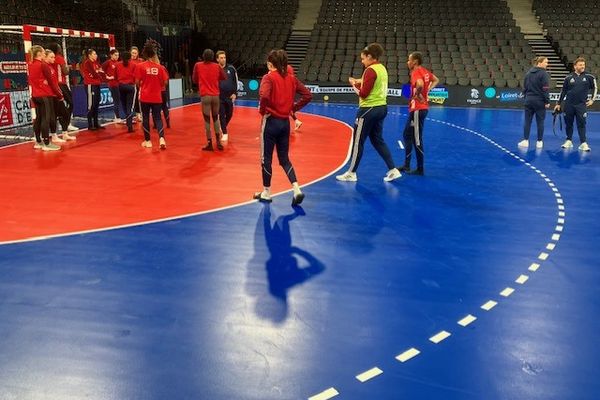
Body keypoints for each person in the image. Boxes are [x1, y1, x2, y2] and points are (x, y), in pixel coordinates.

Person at [336, 43, 402, 182]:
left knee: (357, 142)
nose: (362, 61)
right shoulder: (382, 68)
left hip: (368, 110)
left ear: (370, 56)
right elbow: (370, 83)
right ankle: (393, 170)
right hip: (381, 108)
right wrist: (358, 81)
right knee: (377, 140)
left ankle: (351, 173)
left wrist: (353, 85)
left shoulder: (370, 70)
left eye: (363, 58)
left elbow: (364, 93)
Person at [254, 49, 312, 206]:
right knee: (284, 159)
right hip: (285, 124)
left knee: (266, 158)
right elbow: (308, 95)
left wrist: (262, 111)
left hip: (271, 122)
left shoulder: (268, 77)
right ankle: (296, 189)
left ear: (270, 64)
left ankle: (266, 192)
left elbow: (264, 96)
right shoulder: (291, 79)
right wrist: (293, 109)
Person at [398, 51, 439, 176]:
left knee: (417, 139)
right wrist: (427, 91)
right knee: (406, 134)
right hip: (419, 109)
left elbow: (420, 84)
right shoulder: (425, 71)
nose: (407, 62)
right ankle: (406, 165)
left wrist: (417, 95)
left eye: (409, 60)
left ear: (415, 61)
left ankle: (420, 169)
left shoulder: (416, 72)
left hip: (418, 109)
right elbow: (436, 80)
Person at [555, 57, 597, 152]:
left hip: (581, 105)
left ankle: (583, 143)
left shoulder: (589, 77)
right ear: (575, 66)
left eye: (583, 65)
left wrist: (592, 100)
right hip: (569, 105)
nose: (583, 66)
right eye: (580, 65)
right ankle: (568, 141)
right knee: (568, 124)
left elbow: (595, 87)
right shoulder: (568, 77)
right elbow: (563, 91)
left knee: (581, 124)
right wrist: (558, 103)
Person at [28, 45, 63, 151]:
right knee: (45, 119)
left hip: (35, 95)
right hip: (44, 95)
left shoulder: (30, 64)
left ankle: (38, 142)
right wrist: (59, 95)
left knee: (38, 119)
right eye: (43, 53)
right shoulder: (43, 65)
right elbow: (51, 82)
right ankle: (47, 143)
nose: (44, 54)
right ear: (39, 54)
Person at [135, 45, 169, 149]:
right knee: (158, 118)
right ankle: (161, 138)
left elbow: (137, 81)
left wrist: (142, 85)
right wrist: (158, 86)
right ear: (154, 55)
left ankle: (148, 141)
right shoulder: (160, 67)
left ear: (144, 54)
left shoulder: (140, 66)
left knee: (145, 117)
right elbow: (165, 82)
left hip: (145, 96)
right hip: (157, 97)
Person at [192, 49, 227, 151]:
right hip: (215, 95)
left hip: (205, 95)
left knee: (207, 120)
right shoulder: (216, 66)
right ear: (213, 57)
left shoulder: (198, 65)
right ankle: (219, 142)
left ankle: (209, 143)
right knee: (216, 118)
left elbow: (194, 79)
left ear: (203, 56)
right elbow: (224, 77)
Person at [46, 43, 78, 136]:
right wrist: (68, 68)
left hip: (56, 84)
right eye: (59, 47)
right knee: (70, 104)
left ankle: (64, 124)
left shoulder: (50, 61)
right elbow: (65, 72)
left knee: (59, 108)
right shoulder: (59, 58)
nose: (60, 49)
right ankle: (66, 123)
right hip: (61, 84)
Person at [519, 56, 550, 149]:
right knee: (540, 122)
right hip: (539, 101)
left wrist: (526, 97)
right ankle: (539, 142)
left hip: (528, 100)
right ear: (539, 63)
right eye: (545, 62)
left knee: (527, 121)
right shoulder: (544, 74)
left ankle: (525, 141)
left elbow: (525, 88)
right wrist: (547, 101)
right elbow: (545, 88)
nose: (547, 64)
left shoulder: (528, 73)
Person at [43, 49, 66, 144]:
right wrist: (59, 94)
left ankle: (63, 133)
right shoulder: (45, 67)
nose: (54, 59)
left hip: (55, 94)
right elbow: (50, 83)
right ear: (45, 57)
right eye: (51, 57)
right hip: (50, 95)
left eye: (54, 57)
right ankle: (50, 136)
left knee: (60, 114)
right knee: (50, 117)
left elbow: (54, 82)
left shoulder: (51, 67)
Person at [216, 50, 238, 141]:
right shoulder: (215, 69)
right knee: (221, 114)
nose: (223, 59)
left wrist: (235, 93)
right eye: (221, 58)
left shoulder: (231, 69)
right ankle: (225, 133)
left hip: (229, 97)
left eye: (224, 58)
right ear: (217, 59)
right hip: (219, 97)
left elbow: (236, 81)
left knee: (229, 114)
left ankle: (222, 126)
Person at [81, 49, 105, 130]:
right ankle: (90, 124)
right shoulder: (87, 63)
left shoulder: (96, 63)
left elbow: (101, 72)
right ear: (89, 55)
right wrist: (98, 74)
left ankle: (96, 122)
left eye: (96, 54)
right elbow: (95, 74)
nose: (96, 55)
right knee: (91, 104)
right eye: (94, 54)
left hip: (97, 84)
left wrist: (99, 74)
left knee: (97, 104)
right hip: (90, 85)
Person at [116, 51, 137, 132]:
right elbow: (136, 76)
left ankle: (128, 120)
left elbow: (115, 76)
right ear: (130, 57)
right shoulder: (134, 65)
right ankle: (130, 125)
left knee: (124, 105)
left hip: (121, 86)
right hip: (130, 86)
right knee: (130, 106)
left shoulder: (117, 65)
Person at [102, 49, 122, 123]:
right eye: (115, 55)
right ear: (111, 55)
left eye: (118, 55)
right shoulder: (108, 62)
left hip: (119, 84)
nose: (117, 57)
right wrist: (107, 77)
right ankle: (117, 117)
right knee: (116, 101)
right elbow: (101, 70)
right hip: (113, 84)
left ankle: (118, 116)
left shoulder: (119, 63)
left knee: (118, 100)